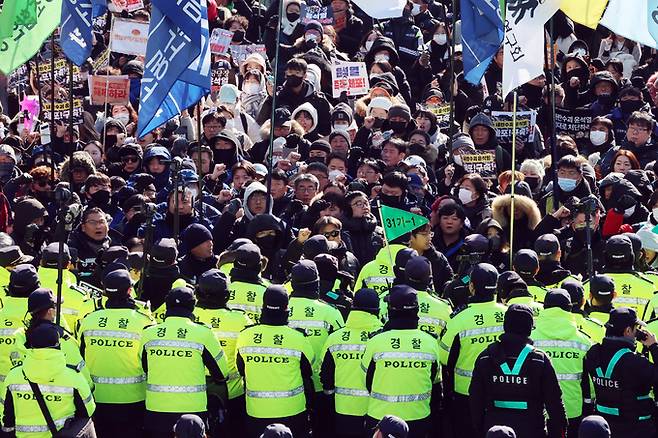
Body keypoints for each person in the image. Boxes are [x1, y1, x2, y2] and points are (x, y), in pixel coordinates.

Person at [140, 286, 229, 437]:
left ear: (167, 306)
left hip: (156, 411)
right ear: (193, 306)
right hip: (193, 413)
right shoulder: (203, 334)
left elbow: (145, 368)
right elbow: (222, 374)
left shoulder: (149, 333)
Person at [470, 303, 567, 437]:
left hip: (494, 430)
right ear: (529, 328)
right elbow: (554, 402)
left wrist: (481, 429)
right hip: (533, 430)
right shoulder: (539, 360)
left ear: (505, 326)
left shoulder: (485, 357)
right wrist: (559, 432)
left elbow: (475, 400)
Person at [77, 269, 154, 438]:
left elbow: (80, 357)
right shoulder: (144, 321)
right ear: (129, 290)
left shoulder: (89, 320)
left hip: (96, 397)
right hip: (133, 398)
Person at [361, 285, 441, 437]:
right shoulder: (430, 342)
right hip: (418, 419)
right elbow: (435, 381)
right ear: (417, 310)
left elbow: (366, 380)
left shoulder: (375, 342)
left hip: (380, 419)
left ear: (390, 309)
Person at [236, 285, 315, 438]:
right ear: (287, 307)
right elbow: (309, 370)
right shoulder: (298, 337)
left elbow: (241, 370)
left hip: (256, 411)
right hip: (292, 410)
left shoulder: (245, 336)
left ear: (263, 305)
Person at [440, 263, 507, 437]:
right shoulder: (508, 314)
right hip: (503, 388)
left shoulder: (459, 319)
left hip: (466, 394)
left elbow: (444, 358)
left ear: (471, 287)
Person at [2, 323, 96, 436]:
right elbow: (88, 411)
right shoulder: (73, 377)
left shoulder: (13, 376)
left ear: (31, 345)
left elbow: (6, 417)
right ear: (58, 344)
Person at [582, 307, 658, 438]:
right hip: (637, 428)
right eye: (635, 330)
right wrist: (653, 347)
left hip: (606, 426)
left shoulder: (593, 353)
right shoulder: (635, 362)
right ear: (628, 331)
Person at [193, 269, 253, 435]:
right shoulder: (241, 319)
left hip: (192, 395)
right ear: (227, 295)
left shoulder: (188, 318)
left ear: (197, 293)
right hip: (232, 395)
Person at [319, 288, 382, 438]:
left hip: (343, 410)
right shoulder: (382, 337)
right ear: (377, 311)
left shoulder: (335, 338)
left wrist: (330, 400)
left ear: (353, 308)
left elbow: (326, 376)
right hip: (376, 410)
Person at [531, 289, 594, 436]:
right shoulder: (584, 341)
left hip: (538, 409)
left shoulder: (531, 338)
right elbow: (590, 383)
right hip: (572, 410)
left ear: (544, 308)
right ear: (570, 309)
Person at [227, 243, 269, 323]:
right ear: (259, 267)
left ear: (235, 264)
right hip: (255, 335)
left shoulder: (222, 286)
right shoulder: (268, 290)